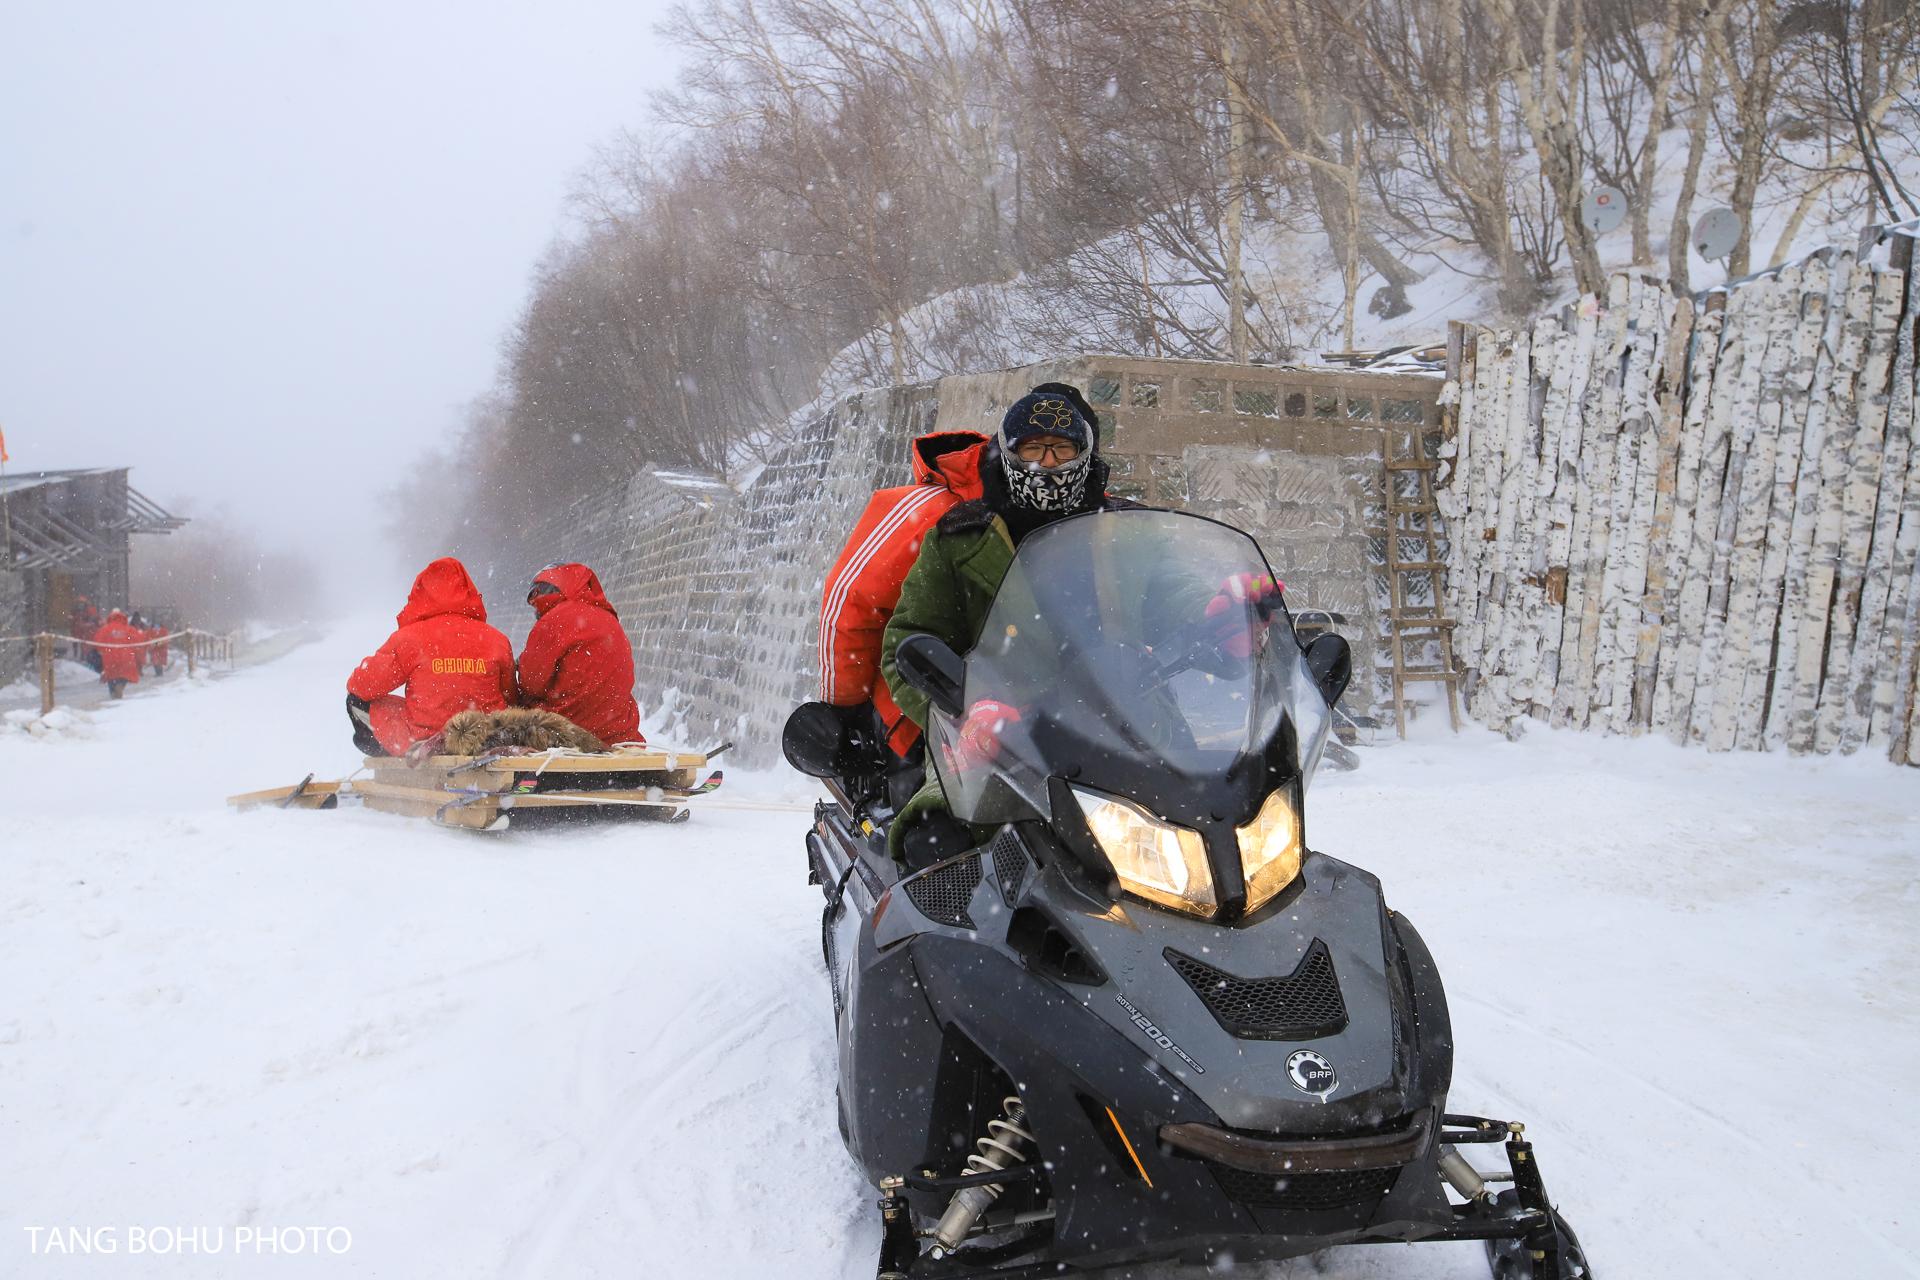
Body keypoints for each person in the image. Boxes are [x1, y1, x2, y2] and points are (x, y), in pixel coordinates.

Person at [818, 428, 989, 780]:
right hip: (917, 707)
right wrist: (846, 708)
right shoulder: (926, 508)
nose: (1048, 461)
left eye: (1062, 448)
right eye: (1036, 447)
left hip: (1021, 708)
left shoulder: (1082, 515)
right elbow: (851, 598)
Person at [346, 557, 517, 757]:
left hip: (425, 739)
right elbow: (511, 698)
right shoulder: (497, 639)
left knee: (355, 700)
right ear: (470, 592)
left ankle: (400, 764)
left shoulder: (409, 638)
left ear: (419, 594)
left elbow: (361, 686)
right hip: (484, 737)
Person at [515, 562, 641, 747]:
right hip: (617, 731)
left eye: (537, 593)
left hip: (568, 730)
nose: (534, 605)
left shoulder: (554, 620)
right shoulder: (610, 619)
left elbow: (531, 683)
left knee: (516, 705)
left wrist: (520, 666)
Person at [91, 609, 144, 699]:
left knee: (112, 677)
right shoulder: (128, 629)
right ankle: (120, 687)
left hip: (110, 657)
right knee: (124, 675)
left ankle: (113, 694)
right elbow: (138, 641)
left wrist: (102, 650)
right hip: (126, 658)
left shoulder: (105, 629)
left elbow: (97, 642)